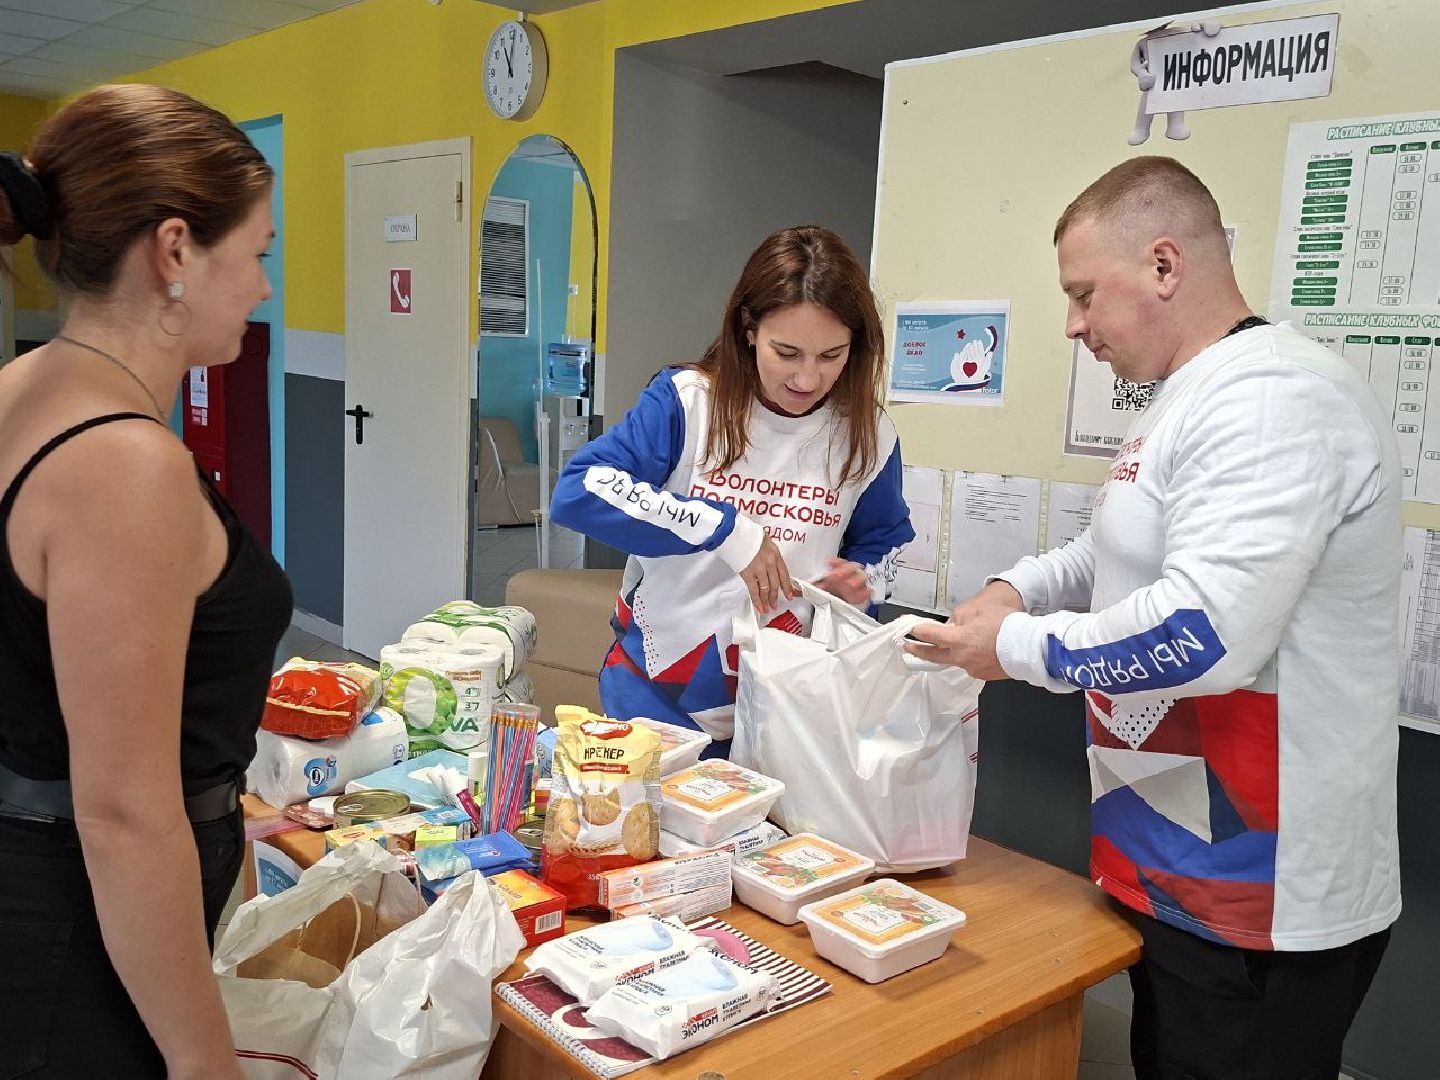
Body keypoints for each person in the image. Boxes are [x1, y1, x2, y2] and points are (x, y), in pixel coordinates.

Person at [907, 157, 1399, 1080]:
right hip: (1181, 855)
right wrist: (1023, 585)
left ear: (1165, 266)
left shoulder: (1273, 401)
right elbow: (1120, 550)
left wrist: (1010, 648)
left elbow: (1205, 633)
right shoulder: (1190, 396)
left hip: (1263, 892)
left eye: (1086, 294)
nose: (1074, 325)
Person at [0, 85, 292, 1078]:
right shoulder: (121, 464)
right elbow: (123, 812)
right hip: (78, 935)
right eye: (257, 253)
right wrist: (205, 1059)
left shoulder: (20, 394)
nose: (261, 287)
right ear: (174, 250)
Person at [551, 225, 914, 757]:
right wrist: (724, 529)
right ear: (748, 329)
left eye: (831, 356)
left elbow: (885, 542)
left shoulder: (869, 433)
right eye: (786, 353)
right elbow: (579, 490)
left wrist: (864, 585)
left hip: (787, 704)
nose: (807, 380)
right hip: (657, 694)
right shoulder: (688, 400)